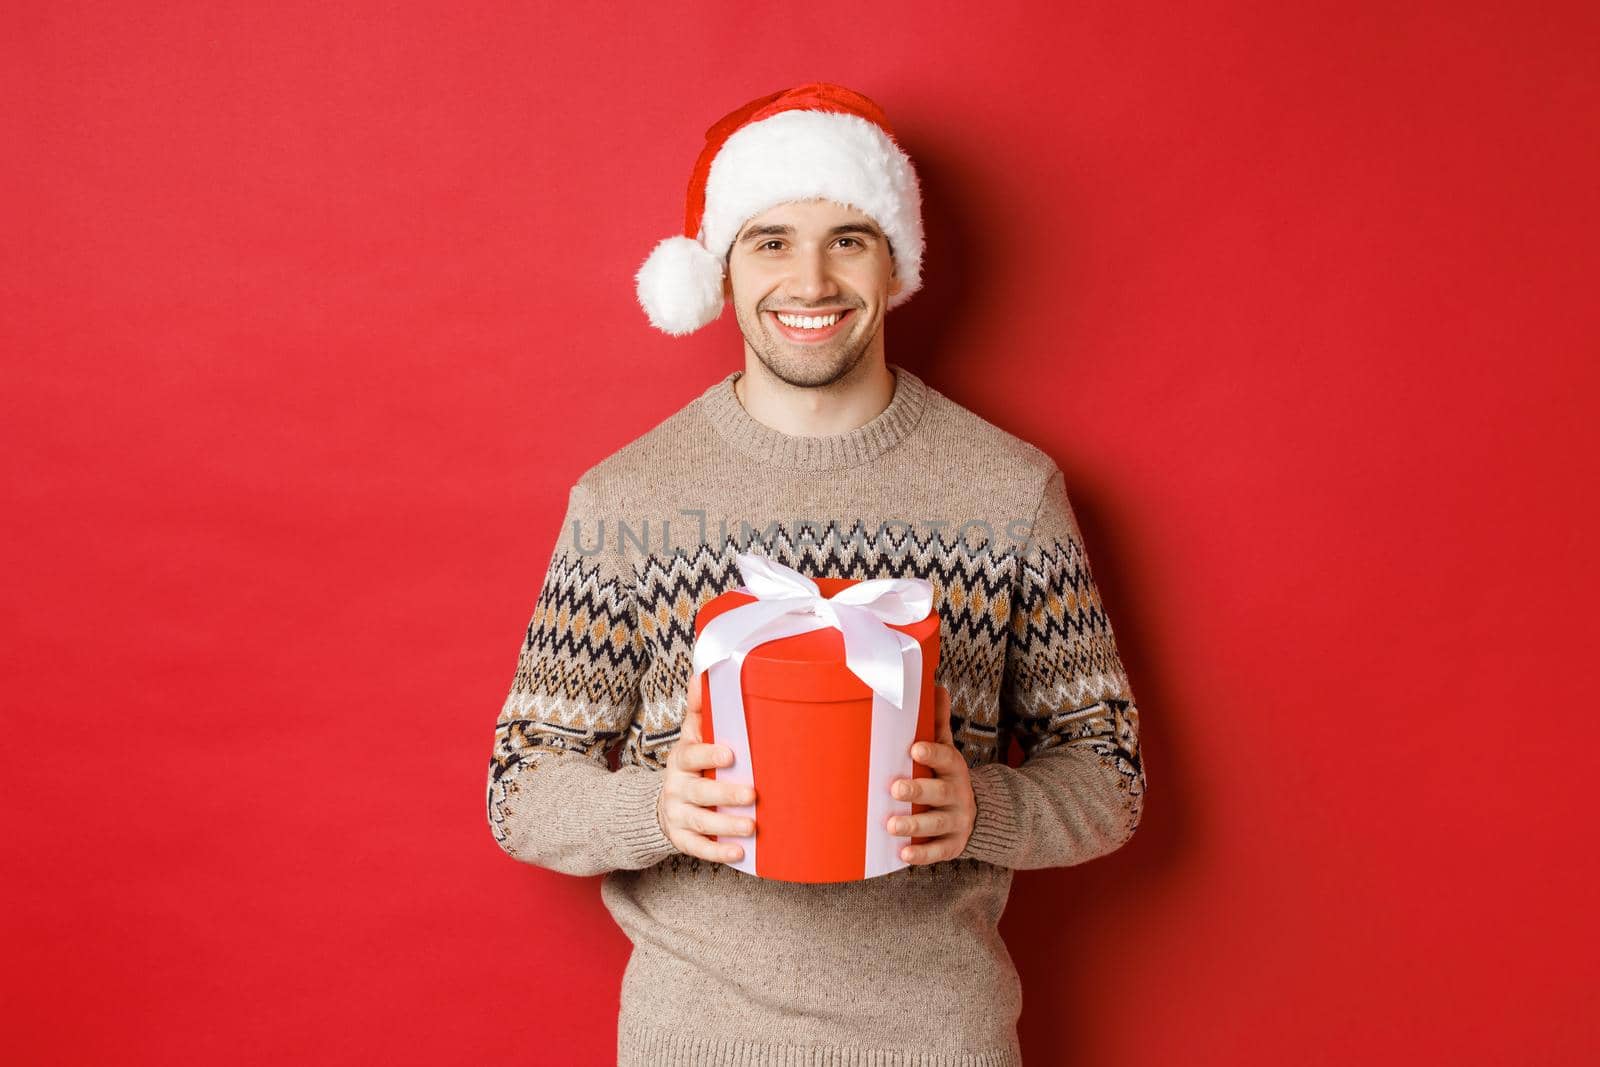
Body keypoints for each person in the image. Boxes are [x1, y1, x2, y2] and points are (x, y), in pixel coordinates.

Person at [486, 82, 1146, 1065]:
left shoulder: (1008, 493)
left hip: (937, 1036)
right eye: (770, 239)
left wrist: (984, 809)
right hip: (692, 1039)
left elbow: (1107, 770)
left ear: (894, 263)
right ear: (719, 267)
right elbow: (521, 783)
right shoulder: (627, 500)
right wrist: (655, 806)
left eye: (848, 237)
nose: (810, 279)